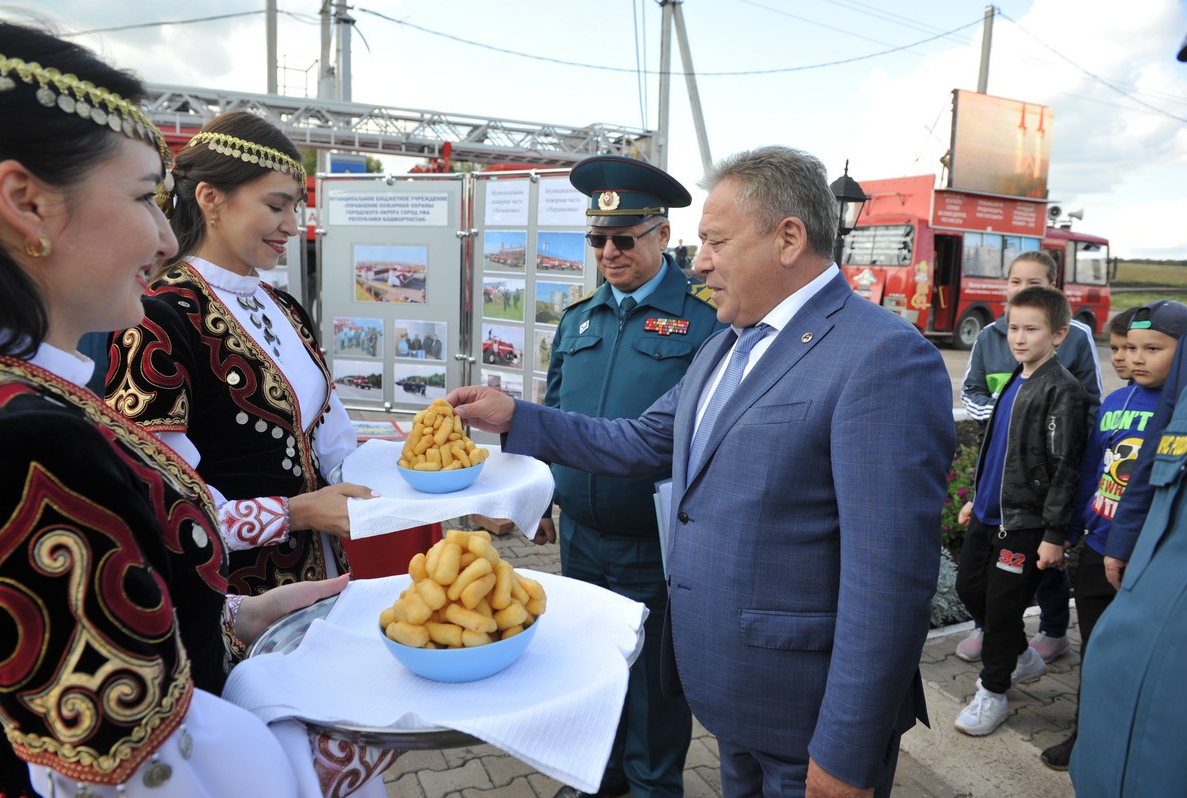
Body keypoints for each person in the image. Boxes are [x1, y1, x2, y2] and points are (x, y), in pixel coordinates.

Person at [448, 145, 955, 797]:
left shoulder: (881, 358)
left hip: (805, 727)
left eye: (714, 241)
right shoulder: (725, 346)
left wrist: (848, 752)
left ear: (788, 239)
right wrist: (516, 416)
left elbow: (887, 581)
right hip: (733, 705)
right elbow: (638, 442)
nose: (701, 260)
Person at [0, 21, 395, 797]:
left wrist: (235, 619)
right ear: (26, 202)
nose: (161, 233)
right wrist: (339, 756)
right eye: (146, 197)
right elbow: (129, 770)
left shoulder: (43, 390)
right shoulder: (31, 435)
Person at [106, 111, 439, 594]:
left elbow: (332, 441)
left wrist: (430, 471)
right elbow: (156, 502)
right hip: (231, 596)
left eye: (296, 207)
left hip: (325, 575)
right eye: (277, 206)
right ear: (211, 199)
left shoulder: (283, 306)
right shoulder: (158, 317)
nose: (292, 225)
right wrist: (296, 512)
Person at [537, 155, 724, 798]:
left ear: (663, 235)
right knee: (590, 667)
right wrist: (540, 495)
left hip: (654, 543)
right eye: (597, 239)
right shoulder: (577, 319)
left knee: (650, 685)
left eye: (625, 238)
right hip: (581, 536)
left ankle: (650, 787)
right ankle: (600, 776)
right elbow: (556, 414)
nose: (609, 252)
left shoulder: (706, 320)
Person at [1038, 301, 1187, 770]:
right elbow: (1088, 473)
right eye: (1128, 348)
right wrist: (1070, 533)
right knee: (1097, 652)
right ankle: (1085, 737)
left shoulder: (1176, 409)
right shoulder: (1115, 403)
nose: (1136, 358)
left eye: (1152, 349)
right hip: (1100, 549)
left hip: (1149, 561)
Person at [952, 286, 1089, 737]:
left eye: (1032, 329)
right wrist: (977, 496)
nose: (1019, 337)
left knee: (1003, 606)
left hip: (1025, 525)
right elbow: (999, 452)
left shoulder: (1062, 390)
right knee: (970, 589)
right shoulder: (1016, 377)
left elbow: (1064, 466)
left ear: (1059, 334)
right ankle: (1024, 657)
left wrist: (1054, 533)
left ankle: (993, 692)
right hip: (990, 513)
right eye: (1013, 327)